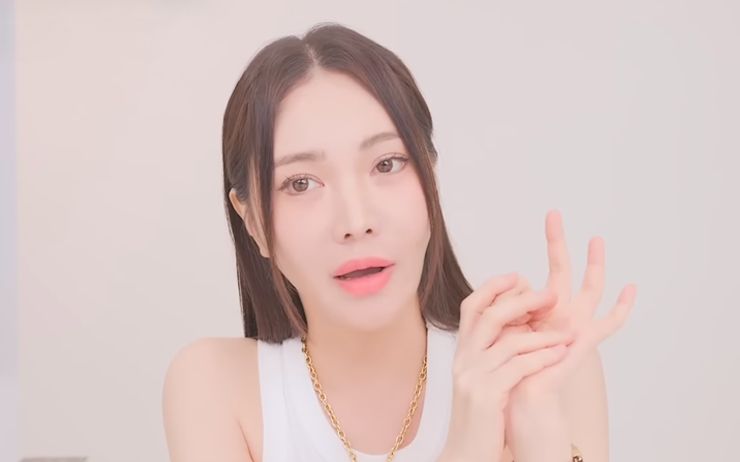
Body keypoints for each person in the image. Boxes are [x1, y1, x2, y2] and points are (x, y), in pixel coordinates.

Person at [162, 22, 637, 462]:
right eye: (301, 183)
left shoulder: (542, 364)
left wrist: (537, 428)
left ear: (431, 178)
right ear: (253, 222)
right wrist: (469, 445)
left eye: (386, 164)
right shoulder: (217, 388)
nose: (356, 221)